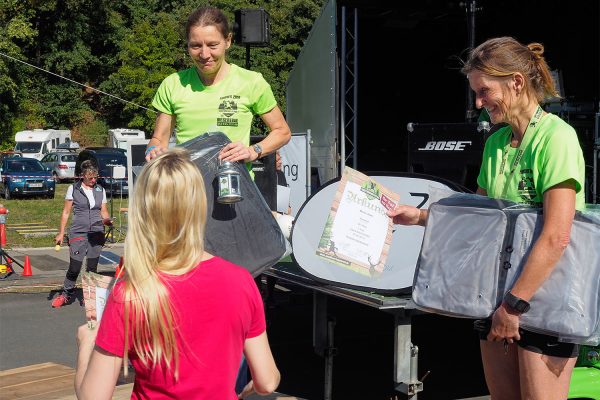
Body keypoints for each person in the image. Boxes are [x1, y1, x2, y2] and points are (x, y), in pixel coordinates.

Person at [388, 37, 585, 399]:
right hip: (495, 299)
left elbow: (557, 235)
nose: (478, 103)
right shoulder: (496, 143)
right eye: (475, 93)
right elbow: (476, 222)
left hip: (543, 300)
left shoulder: (557, 138)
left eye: (483, 91)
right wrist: (416, 216)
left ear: (516, 82)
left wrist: (514, 306)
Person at [74, 148, 280, 399]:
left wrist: (86, 344)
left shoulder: (131, 293)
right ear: (200, 205)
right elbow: (268, 381)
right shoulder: (240, 281)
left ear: (143, 212)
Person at [145, 6, 291, 166]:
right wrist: (153, 149)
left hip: (233, 185)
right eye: (195, 46)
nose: (204, 54)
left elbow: (282, 131)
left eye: (212, 45)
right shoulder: (172, 84)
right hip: (189, 185)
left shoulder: (252, 82)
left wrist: (253, 151)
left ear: (228, 41)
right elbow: (159, 139)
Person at [52, 160, 112, 308]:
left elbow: (103, 211)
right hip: (78, 232)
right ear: (82, 175)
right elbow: (66, 212)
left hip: (96, 233)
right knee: (75, 267)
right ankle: (66, 294)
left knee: (92, 268)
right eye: (90, 177)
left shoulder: (100, 190)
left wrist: (108, 221)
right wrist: (61, 233)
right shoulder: (73, 189)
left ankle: (90, 295)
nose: (93, 180)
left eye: (95, 177)